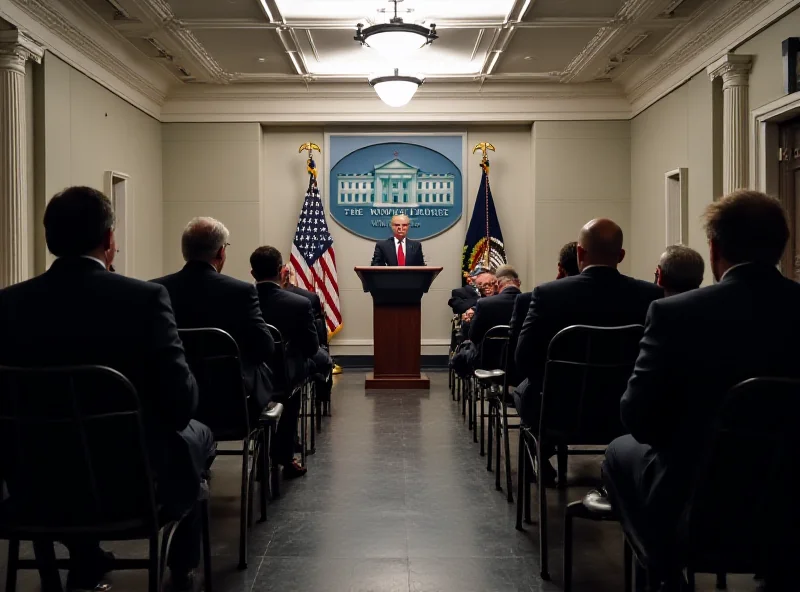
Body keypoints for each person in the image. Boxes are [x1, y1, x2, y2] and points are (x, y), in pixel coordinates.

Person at [0, 186, 214, 591]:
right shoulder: (146, 298)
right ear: (110, 240)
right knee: (197, 434)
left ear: (49, 239)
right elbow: (180, 403)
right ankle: (183, 564)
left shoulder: (7, 304)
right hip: (131, 485)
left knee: (69, 444)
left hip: (32, 483)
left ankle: (83, 557)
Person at [603, 191, 800, 580]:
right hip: (792, 495)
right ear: (781, 244)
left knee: (618, 451)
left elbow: (638, 417)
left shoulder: (674, 313)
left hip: (700, 501)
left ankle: (661, 567)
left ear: (714, 248)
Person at [514, 219, 663, 482]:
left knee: (524, 391)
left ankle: (540, 451)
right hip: (625, 411)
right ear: (621, 255)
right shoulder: (650, 295)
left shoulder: (548, 294)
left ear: (580, 253)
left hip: (560, 412)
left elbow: (524, 358)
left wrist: (552, 385)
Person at [152, 217, 275, 414]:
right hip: (230, 399)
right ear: (220, 252)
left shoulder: (156, 290)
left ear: (185, 250)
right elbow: (265, 347)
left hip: (172, 397)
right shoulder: (241, 292)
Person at [250, 246, 333, 477]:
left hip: (247, 379)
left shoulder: (238, 299)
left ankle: (262, 452)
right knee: (294, 383)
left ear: (252, 273)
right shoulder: (298, 303)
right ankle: (284, 456)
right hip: (284, 378)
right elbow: (311, 347)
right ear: (282, 271)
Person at [509, 241, 580, 397]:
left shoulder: (542, 295)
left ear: (560, 268)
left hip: (553, 393)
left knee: (523, 392)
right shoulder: (642, 293)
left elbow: (522, 357)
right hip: (614, 397)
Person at [468, 265, 522, 347]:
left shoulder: (484, 303)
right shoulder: (531, 301)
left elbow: (474, 337)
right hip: (523, 357)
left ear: (498, 284)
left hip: (490, 357)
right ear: (518, 282)